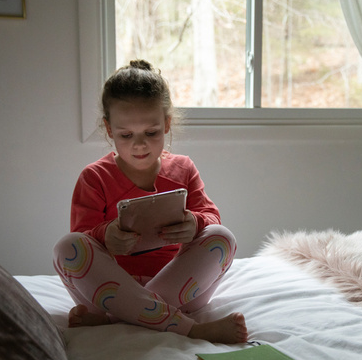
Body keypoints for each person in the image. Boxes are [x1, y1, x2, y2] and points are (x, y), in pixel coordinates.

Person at [53, 60, 247, 344]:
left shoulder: (183, 169)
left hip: (176, 287)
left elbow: (210, 216)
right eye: (126, 135)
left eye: (151, 133)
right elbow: (83, 236)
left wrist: (195, 223)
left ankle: (115, 321)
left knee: (222, 236)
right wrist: (106, 236)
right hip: (110, 290)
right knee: (66, 247)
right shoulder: (95, 177)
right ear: (108, 129)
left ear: (167, 124)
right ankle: (190, 329)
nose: (139, 145)